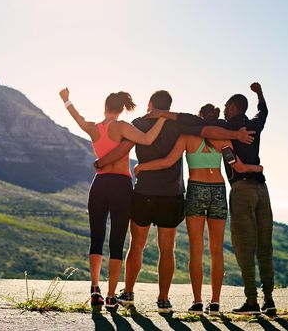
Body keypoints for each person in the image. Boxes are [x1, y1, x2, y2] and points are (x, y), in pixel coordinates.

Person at [93, 90, 255, 313]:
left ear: (150, 103)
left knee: (136, 245)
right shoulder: (181, 125)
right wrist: (237, 136)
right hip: (172, 194)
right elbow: (207, 130)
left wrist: (102, 162)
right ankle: (163, 299)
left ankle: (128, 293)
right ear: (169, 107)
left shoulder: (138, 123)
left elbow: (124, 148)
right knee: (167, 249)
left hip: (144, 192)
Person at [133, 103, 264, 316]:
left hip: (196, 189)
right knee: (217, 250)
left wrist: (141, 167)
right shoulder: (223, 140)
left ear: (199, 118)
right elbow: (237, 166)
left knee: (196, 248)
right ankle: (215, 303)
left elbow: (167, 162)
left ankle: (197, 302)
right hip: (218, 191)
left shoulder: (186, 137)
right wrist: (256, 168)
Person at [58, 87, 168, 310]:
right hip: (120, 185)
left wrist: (67, 100)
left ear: (106, 107)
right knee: (116, 243)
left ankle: (95, 290)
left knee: (96, 239)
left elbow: (77, 117)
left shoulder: (93, 128)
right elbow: (147, 140)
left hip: (98, 184)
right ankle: (110, 296)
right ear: (120, 109)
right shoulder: (123, 127)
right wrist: (162, 120)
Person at [173, 82, 275, 315]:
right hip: (260, 188)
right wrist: (259, 94)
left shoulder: (224, 127)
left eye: (227, 106)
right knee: (264, 245)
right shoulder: (254, 125)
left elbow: (203, 128)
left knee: (243, 245)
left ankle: (249, 302)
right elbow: (264, 112)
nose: (224, 108)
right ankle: (268, 299)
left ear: (232, 107)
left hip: (240, 189)